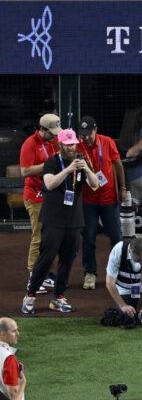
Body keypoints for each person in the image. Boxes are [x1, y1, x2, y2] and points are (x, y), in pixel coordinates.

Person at [21, 129, 100, 315]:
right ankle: (30, 295)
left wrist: (87, 168)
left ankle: (58, 297)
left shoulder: (81, 161)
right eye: (67, 144)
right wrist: (68, 170)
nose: (71, 147)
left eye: (73, 143)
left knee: (67, 259)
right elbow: (49, 184)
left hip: (74, 220)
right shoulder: (52, 162)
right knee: (46, 258)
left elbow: (95, 184)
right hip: (54, 219)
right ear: (60, 145)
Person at [77, 116, 127, 290]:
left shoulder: (107, 142)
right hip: (88, 200)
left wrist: (122, 187)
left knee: (116, 237)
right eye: (83, 134)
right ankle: (90, 273)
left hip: (109, 199)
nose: (86, 138)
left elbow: (118, 165)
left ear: (95, 130)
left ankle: (118, 271)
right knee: (88, 237)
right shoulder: (77, 145)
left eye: (88, 134)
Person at [19, 113, 61, 294]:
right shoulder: (30, 143)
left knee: (51, 238)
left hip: (50, 196)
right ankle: (32, 276)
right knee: (38, 237)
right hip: (34, 196)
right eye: (51, 132)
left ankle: (46, 272)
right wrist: (49, 165)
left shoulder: (54, 141)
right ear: (42, 129)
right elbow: (25, 171)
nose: (54, 135)